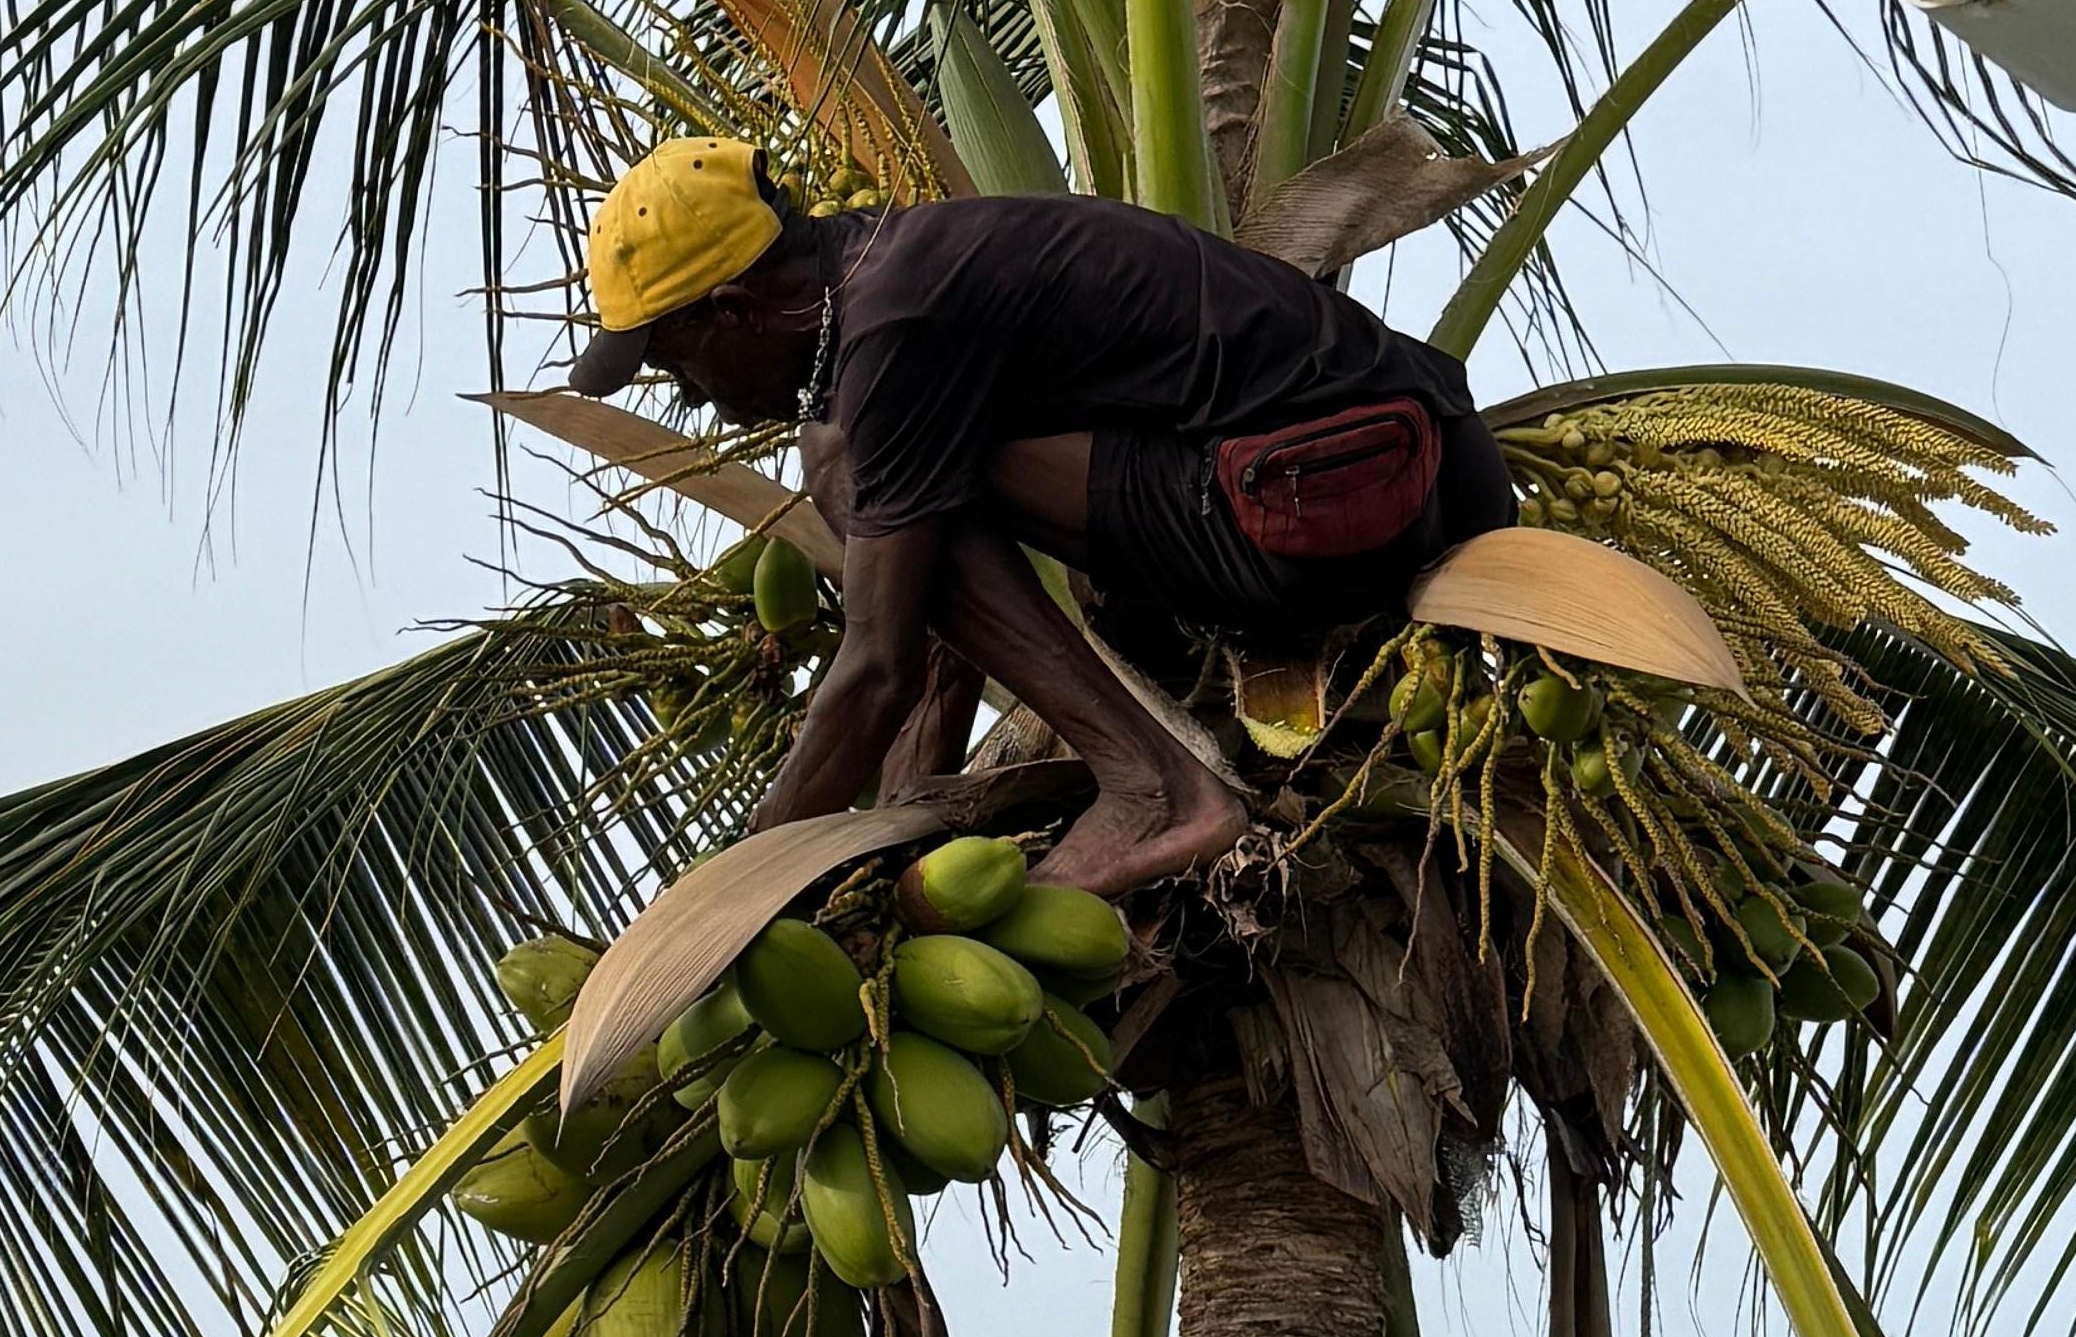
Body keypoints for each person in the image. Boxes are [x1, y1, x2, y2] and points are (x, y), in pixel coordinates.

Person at [569, 138, 1516, 896]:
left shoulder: (894, 329)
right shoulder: (917, 255)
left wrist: (736, 890)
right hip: (1420, 481)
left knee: (852, 468)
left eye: (672, 362)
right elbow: (936, 631)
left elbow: (876, 667)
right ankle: (1132, 774)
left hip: (1299, 518)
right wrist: (906, 825)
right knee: (896, 484)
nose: (690, 394)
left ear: (734, 309)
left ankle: (1156, 793)